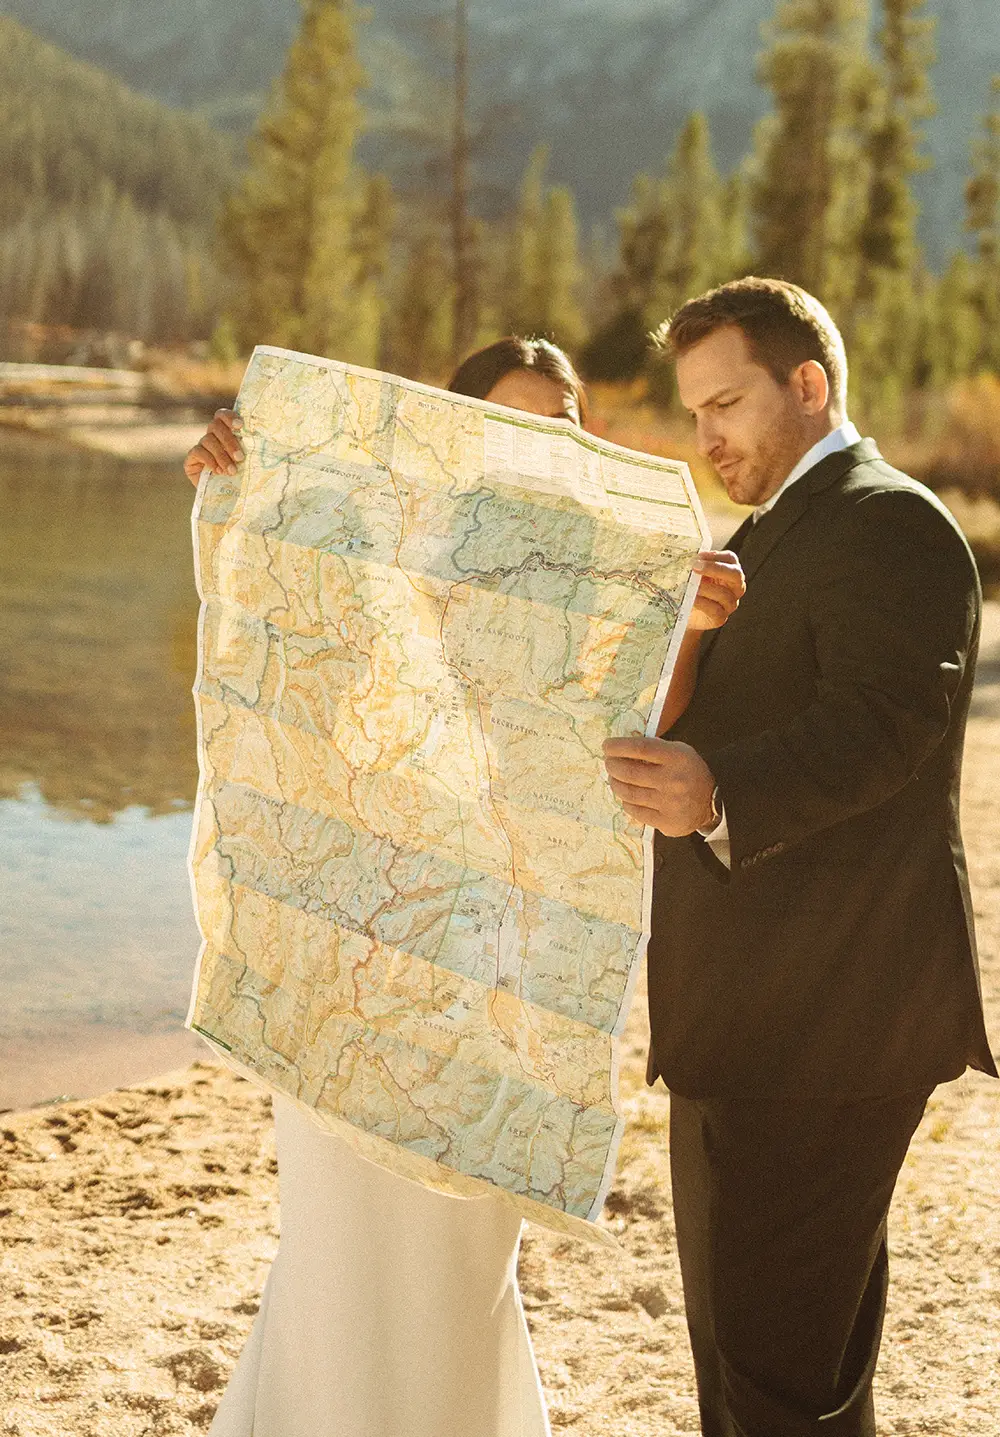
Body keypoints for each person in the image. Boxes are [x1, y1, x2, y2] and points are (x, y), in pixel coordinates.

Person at [183, 335, 744, 1437]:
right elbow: (280, 641)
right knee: (339, 1241)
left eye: (557, 429)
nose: (534, 452)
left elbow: (633, 740)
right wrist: (234, 480)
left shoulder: (604, 569)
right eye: (511, 426)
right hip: (357, 931)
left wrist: (687, 624)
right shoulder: (388, 534)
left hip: (497, 952)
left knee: (459, 1249)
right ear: (459, 437)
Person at [603, 277, 997, 1437]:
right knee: (769, 1372)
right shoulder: (766, 534)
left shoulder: (893, 523)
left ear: (808, 386)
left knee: (773, 1379)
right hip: (752, 1024)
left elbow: (888, 726)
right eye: (692, 413)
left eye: (725, 403)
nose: (705, 436)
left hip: (833, 1030)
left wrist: (719, 790)